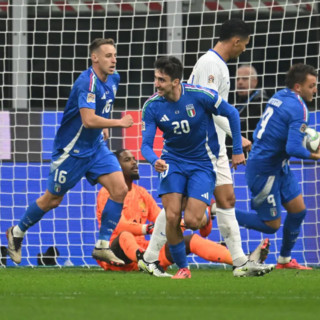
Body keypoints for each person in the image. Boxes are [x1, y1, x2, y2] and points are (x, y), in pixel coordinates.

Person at [139, 56, 272, 279]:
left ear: (176, 81)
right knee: (172, 216)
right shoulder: (152, 106)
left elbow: (231, 113)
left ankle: (203, 218)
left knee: (192, 221)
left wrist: (237, 149)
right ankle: (183, 268)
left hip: (202, 164)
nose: (157, 84)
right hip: (172, 162)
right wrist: (154, 160)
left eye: (162, 80)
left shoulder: (200, 96)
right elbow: (145, 145)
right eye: (156, 78)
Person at [6, 38, 134, 266]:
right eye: (108, 56)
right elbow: (87, 119)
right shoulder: (86, 82)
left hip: (95, 148)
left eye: (114, 55)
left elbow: (101, 108)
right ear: (94, 58)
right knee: (52, 200)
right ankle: (17, 232)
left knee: (120, 188)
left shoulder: (114, 78)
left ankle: (103, 245)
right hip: (71, 152)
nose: (113, 60)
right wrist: (118, 123)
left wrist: (104, 125)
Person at [187, 19, 271, 275]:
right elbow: (211, 109)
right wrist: (236, 139)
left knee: (227, 199)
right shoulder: (212, 65)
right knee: (188, 214)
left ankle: (240, 263)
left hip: (214, 142)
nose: (244, 49)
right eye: (245, 44)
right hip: (202, 145)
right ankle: (151, 253)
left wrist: (236, 138)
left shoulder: (218, 65)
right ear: (236, 41)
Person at [95, 149, 236, 276]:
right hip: (117, 255)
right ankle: (145, 261)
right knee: (125, 235)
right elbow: (119, 226)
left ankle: (238, 260)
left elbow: (161, 217)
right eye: (127, 160)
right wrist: (148, 229)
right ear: (117, 168)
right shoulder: (107, 193)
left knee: (191, 240)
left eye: (134, 159)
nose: (134, 163)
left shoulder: (141, 193)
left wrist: (187, 222)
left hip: (145, 251)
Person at [235, 63, 319, 269]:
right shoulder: (300, 109)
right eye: (312, 86)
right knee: (271, 225)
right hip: (264, 170)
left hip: (278, 165)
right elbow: (292, 148)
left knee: (298, 211)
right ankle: (219, 211)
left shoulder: (280, 95)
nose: (315, 90)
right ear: (298, 87)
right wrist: (315, 155)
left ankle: (284, 260)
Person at [227, 64, 270, 157]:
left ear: (255, 81)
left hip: (252, 156)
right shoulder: (232, 103)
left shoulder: (263, 105)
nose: (240, 82)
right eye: (237, 79)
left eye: (245, 79)